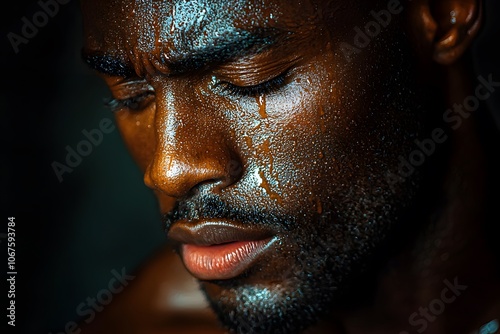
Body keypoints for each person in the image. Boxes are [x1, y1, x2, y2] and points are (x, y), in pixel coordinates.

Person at [79, 0, 500, 333]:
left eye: (251, 79)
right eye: (132, 97)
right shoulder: (141, 322)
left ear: (443, 13)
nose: (170, 169)